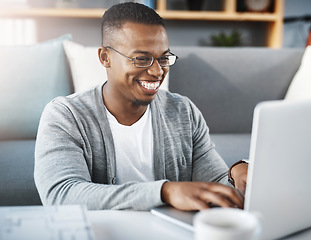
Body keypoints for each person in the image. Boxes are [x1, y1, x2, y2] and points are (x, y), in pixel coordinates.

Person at [34, 2, 248, 211]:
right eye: (142, 59)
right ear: (105, 57)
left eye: (163, 58)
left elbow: (214, 184)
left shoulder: (184, 111)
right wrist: (164, 192)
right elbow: (61, 194)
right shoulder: (65, 115)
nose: (157, 72)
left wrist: (236, 173)